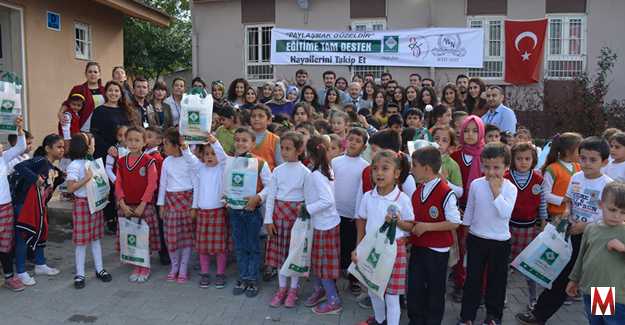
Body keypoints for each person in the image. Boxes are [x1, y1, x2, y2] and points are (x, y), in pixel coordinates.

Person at [517, 136, 613, 325]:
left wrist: (586, 226)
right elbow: (569, 201)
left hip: (597, 240)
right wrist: (567, 214)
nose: (586, 163)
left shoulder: (608, 185)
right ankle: (539, 316)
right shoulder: (576, 177)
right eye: (583, 158)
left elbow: (612, 216)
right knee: (562, 277)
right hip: (573, 236)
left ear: (604, 161)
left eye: (593, 160)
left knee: (600, 280)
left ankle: (605, 320)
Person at [459, 142, 517, 325]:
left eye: (497, 167)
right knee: (472, 280)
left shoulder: (510, 188)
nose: (491, 172)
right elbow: (469, 210)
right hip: (476, 239)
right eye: (487, 167)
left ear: (506, 168)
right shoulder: (476, 184)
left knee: (497, 282)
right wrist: (465, 232)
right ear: (481, 164)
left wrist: (496, 192)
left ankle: (493, 316)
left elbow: (505, 213)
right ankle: (467, 316)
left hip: (500, 242)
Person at [355, 149, 415, 325]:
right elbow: (361, 222)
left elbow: (411, 226)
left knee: (391, 296)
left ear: (396, 173)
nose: (379, 173)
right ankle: (380, 320)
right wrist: (358, 248)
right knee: (374, 290)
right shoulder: (368, 196)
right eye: (375, 168)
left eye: (385, 168)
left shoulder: (402, 199)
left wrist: (398, 222)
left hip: (394, 251)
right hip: (372, 248)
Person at [406, 146, 461, 325]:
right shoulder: (417, 191)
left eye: (414, 165)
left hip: (437, 250)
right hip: (418, 247)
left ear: (427, 168)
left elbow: (455, 222)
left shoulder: (445, 192)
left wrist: (427, 227)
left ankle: (432, 321)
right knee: (415, 287)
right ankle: (416, 320)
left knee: (435, 290)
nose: (411, 169)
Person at [566, 181, 625, 325]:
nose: (617, 216)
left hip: (616, 293)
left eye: (623, 212)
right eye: (612, 209)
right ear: (600, 205)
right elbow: (582, 256)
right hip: (595, 289)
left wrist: (623, 248)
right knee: (597, 322)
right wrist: (574, 279)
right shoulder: (592, 229)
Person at [224, 127, 272, 297]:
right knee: (239, 245)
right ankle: (243, 276)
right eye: (237, 139)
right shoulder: (230, 162)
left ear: (253, 143)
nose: (240, 143)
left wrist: (258, 197)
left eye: (244, 140)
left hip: (252, 211)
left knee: (253, 245)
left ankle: (252, 278)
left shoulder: (260, 163)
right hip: (234, 211)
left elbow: (270, 186)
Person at [13, 134, 66, 286]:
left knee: (40, 235)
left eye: (63, 147)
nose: (62, 150)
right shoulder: (40, 161)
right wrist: (34, 178)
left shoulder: (53, 168)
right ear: (48, 149)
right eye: (59, 147)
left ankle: (40, 264)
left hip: (38, 207)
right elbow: (19, 167)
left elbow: (47, 191)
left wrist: (60, 179)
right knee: (22, 238)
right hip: (23, 205)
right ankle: (21, 272)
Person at [265, 132, 310, 307]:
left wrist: (305, 223)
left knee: (294, 255)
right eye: (282, 148)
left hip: (296, 219)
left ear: (299, 150)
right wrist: (268, 220)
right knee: (279, 256)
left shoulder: (305, 173)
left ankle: (293, 289)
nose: (283, 152)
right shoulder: (277, 170)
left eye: (288, 149)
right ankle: (282, 288)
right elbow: (271, 196)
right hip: (279, 217)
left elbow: (307, 200)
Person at [181, 133, 228, 289]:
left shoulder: (222, 167)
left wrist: (215, 142)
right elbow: (189, 158)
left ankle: (220, 273)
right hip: (203, 213)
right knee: (202, 247)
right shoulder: (200, 168)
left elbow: (223, 156)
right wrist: (184, 147)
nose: (210, 157)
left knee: (220, 246)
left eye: (212, 154)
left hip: (218, 213)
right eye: (207, 154)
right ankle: (205, 272)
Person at [302, 135, 343, 315]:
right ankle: (321, 290)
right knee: (319, 262)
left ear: (309, 153)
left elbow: (327, 200)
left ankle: (334, 299)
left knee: (324, 265)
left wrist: (307, 209)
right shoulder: (325, 169)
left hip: (324, 226)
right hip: (325, 223)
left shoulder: (318, 174)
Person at [65, 133, 111, 289]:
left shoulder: (91, 161)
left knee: (96, 239)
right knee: (81, 242)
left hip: (95, 203)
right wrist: (86, 178)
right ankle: (80, 274)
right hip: (83, 204)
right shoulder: (74, 165)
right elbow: (71, 188)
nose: (94, 147)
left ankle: (100, 269)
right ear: (84, 146)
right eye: (91, 144)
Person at [115, 127, 160, 283]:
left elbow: (152, 184)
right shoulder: (121, 162)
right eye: (130, 140)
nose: (133, 143)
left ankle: (145, 267)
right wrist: (121, 203)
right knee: (131, 237)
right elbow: (118, 183)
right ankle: (136, 265)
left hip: (143, 206)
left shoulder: (149, 161)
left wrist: (142, 204)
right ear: (125, 141)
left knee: (144, 238)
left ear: (144, 142)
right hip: (127, 206)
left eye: (137, 140)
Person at [505, 142, 546, 309]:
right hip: (509, 227)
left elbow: (542, 203)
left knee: (530, 266)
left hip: (530, 229)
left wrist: (543, 224)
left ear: (533, 159)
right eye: (519, 158)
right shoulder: (506, 177)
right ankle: (503, 295)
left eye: (527, 158)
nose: (523, 162)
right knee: (506, 264)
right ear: (512, 160)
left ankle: (533, 298)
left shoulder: (538, 179)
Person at [450, 115, 486, 302]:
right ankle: (460, 283)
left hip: (481, 209)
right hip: (458, 208)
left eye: (475, 130)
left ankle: (478, 287)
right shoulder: (455, 155)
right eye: (466, 130)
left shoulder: (486, 155)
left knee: (477, 250)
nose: (470, 134)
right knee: (460, 248)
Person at [331, 128, 369, 296]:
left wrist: (358, 214)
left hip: (353, 215)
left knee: (351, 247)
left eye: (358, 141)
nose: (353, 143)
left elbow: (363, 191)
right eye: (351, 139)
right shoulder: (335, 162)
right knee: (335, 246)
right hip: (334, 213)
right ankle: (332, 277)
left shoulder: (365, 167)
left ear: (364, 146)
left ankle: (353, 278)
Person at [157, 128, 195, 284]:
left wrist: (195, 206)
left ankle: (184, 268)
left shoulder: (189, 160)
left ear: (176, 145)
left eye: (166, 144)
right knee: (171, 236)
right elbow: (162, 184)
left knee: (186, 236)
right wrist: (161, 204)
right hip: (171, 201)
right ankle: (174, 266)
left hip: (187, 199)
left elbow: (196, 182)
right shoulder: (166, 161)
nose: (163, 147)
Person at [0, 116, 26, 291]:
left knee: (5, 243)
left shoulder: (3, 158)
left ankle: (9, 276)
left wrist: (19, 129)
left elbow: (21, 147)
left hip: (5, 207)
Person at [542, 133, 583, 219]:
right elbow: (545, 195)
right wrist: (565, 199)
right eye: (579, 150)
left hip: (575, 215)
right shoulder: (552, 169)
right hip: (557, 216)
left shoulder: (579, 167)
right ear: (568, 152)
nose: (581, 153)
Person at [58, 62, 105, 133]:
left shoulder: (105, 90)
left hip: (102, 128)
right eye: (90, 72)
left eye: (95, 72)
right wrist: (60, 114)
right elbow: (67, 103)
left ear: (99, 74)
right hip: (84, 129)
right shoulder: (79, 89)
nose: (93, 74)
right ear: (86, 74)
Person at [431, 125, 463, 198]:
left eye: (444, 140)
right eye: (436, 138)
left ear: (450, 146)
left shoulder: (452, 165)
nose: (439, 142)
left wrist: (445, 182)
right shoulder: (423, 159)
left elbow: (460, 192)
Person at [249, 104, 282, 170]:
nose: (256, 119)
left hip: (268, 179)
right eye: (253, 116)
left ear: (269, 120)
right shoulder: (242, 137)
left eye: (261, 116)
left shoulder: (275, 140)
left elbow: (280, 165)